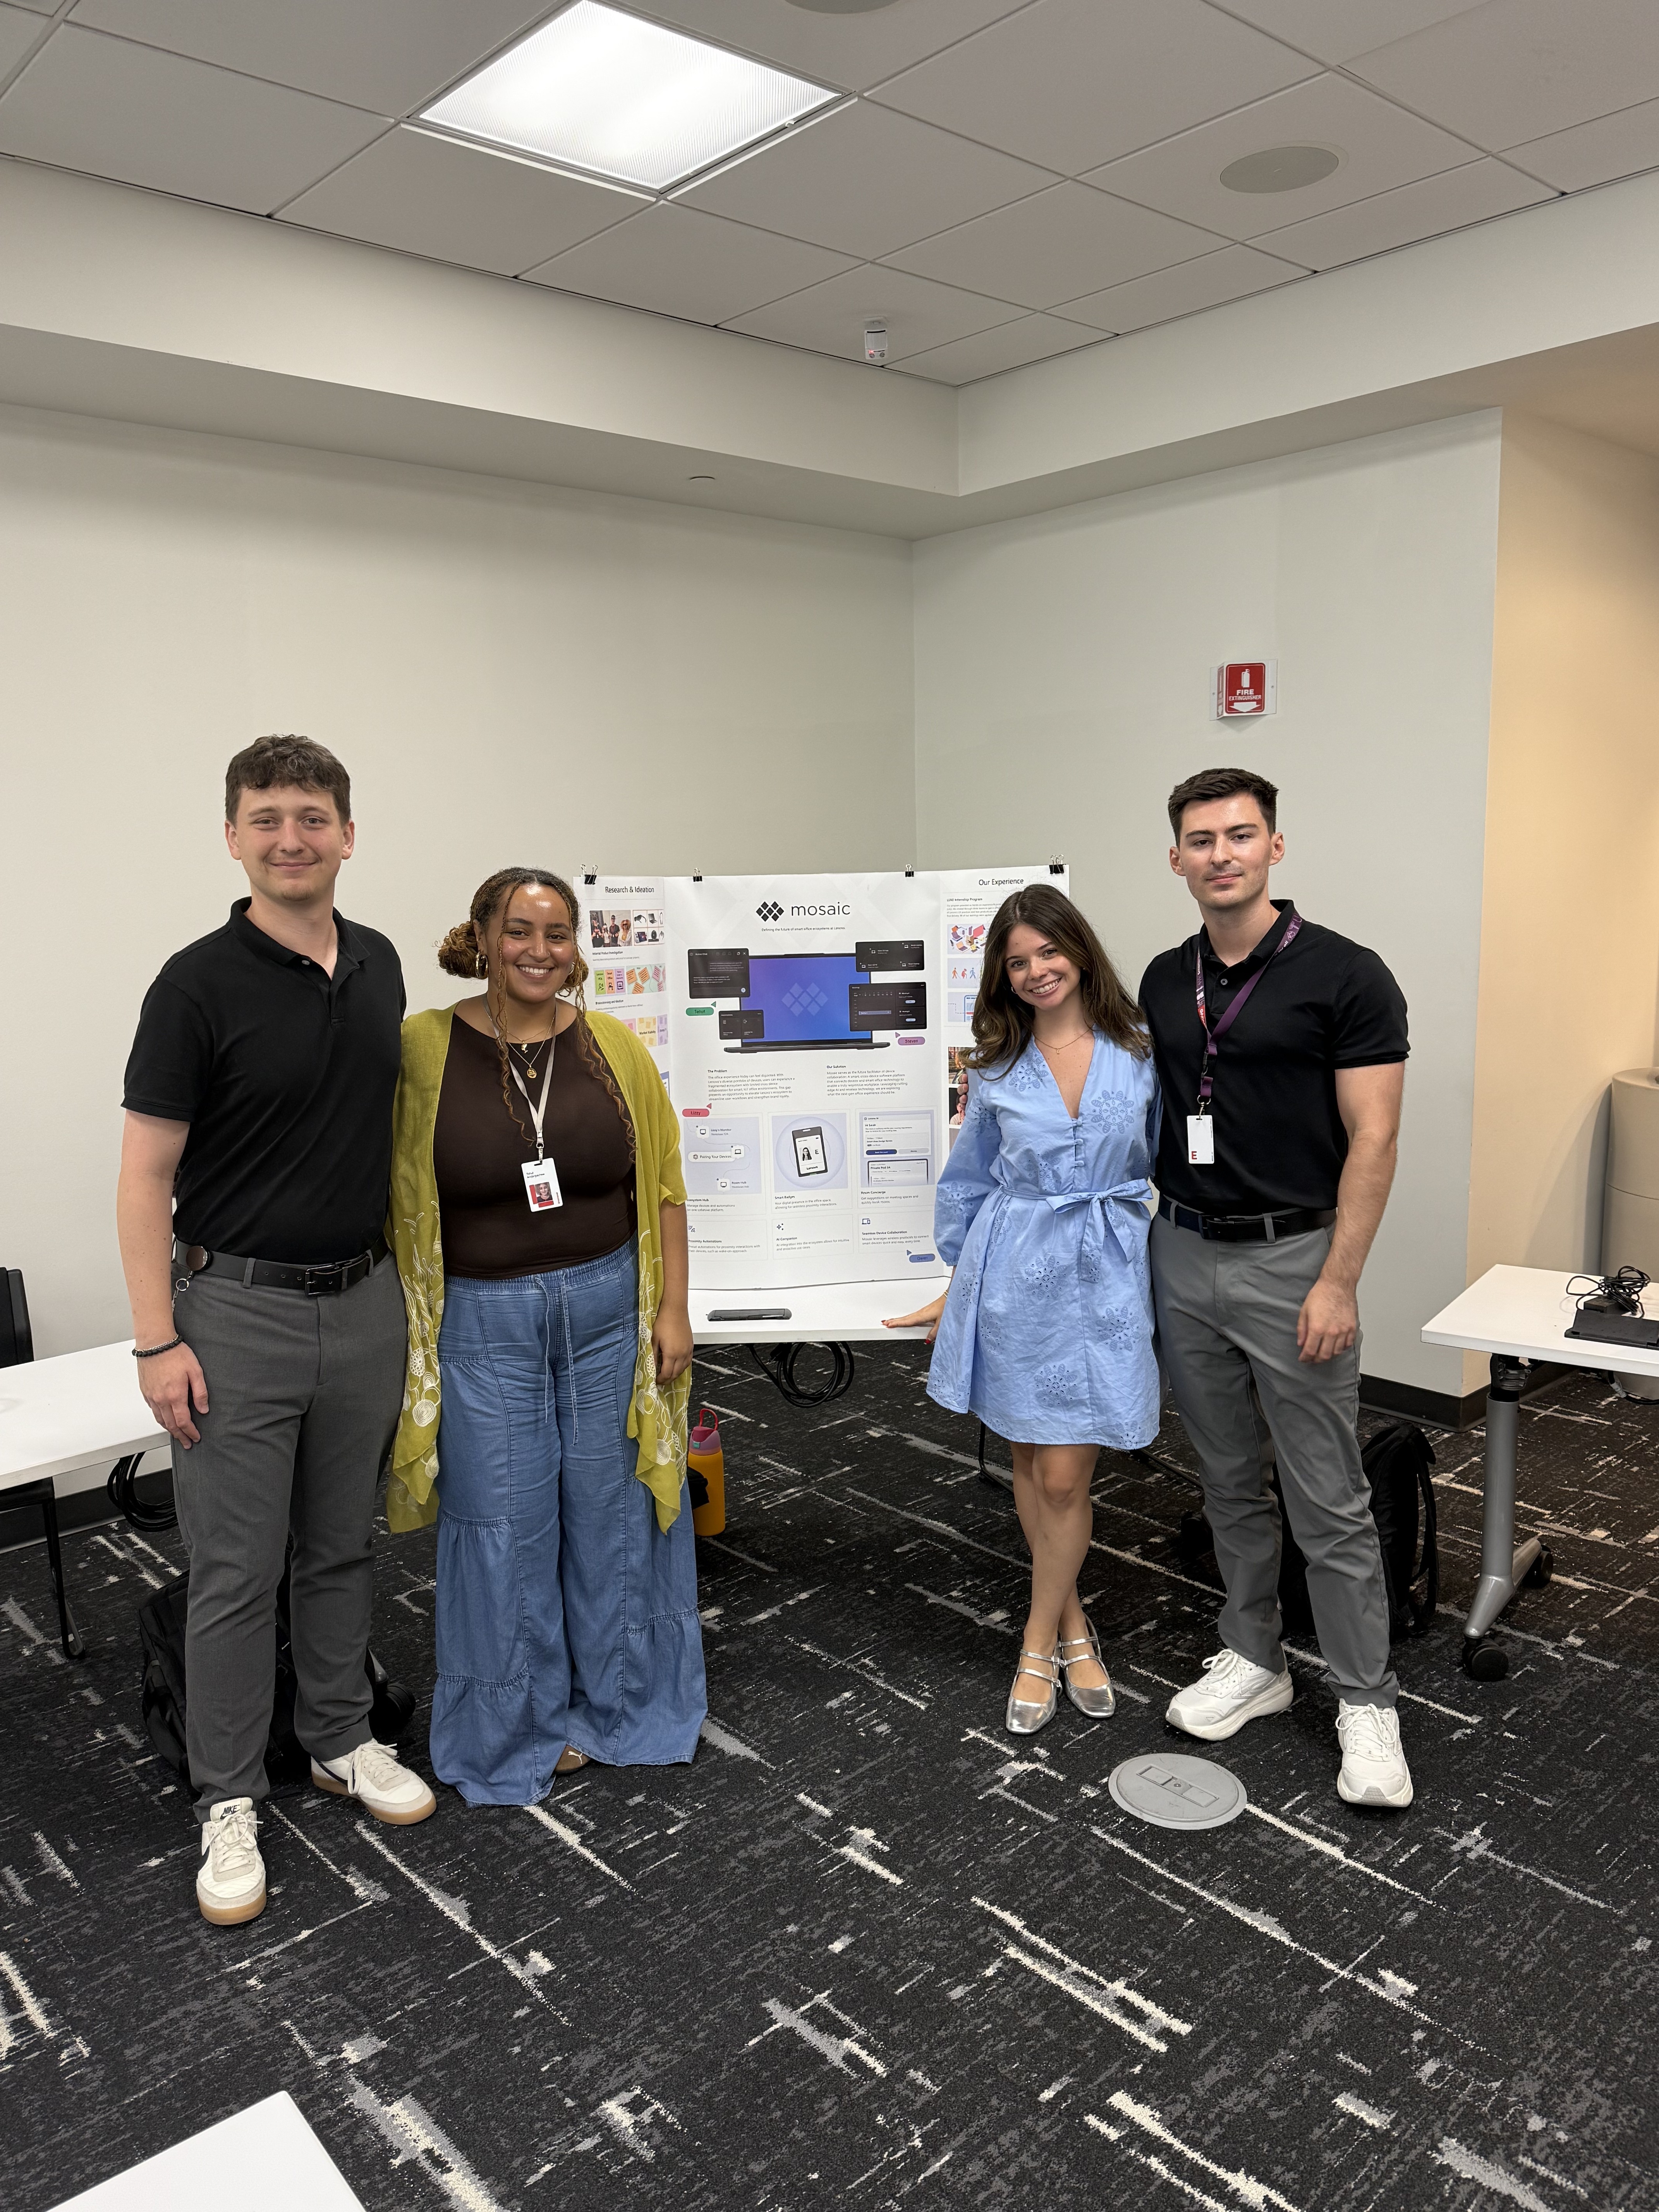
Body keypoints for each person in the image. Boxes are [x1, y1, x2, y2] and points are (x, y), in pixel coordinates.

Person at [118, 735, 434, 1932]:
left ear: (349, 834)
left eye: (312, 816)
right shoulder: (193, 984)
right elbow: (144, 1177)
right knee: (237, 1571)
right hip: (234, 1312)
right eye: (266, 818)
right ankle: (228, 1794)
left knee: (342, 1545)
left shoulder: (383, 967)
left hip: (362, 1304)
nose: (290, 837)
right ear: (234, 836)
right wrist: (159, 1342)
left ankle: (342, 1740)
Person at [385, 868, 704, 1805]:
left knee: (614, 1513)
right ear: (481, 935)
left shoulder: (612, 1046)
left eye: (557, 932)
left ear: (577, 947)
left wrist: (673, 1308)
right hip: (485, 1326)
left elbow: (667, 1183)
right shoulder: (421, 1050)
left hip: (611, 1313)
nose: (538, 949)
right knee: (504, 1522)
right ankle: (514, 1727)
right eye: (518, 929)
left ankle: (625, 1707)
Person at [1139, 767, 1412, 1809]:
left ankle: (1366, 1701)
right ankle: (1253, 1658)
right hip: (1183, 1249)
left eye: (1239, 836)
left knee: (1326, 1497)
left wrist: (1339, 1280)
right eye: (1200, 840)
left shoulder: (1346, 976)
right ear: (1176, 859)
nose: (1220, 855)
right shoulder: (1167, 979)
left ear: (1274, 848)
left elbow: (1375, 1139)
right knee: (1222, 1479)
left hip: (1297, 1260)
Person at [887, 886, 1160, 1735]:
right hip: (1014, 1278)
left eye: (1049, 952)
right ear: (1002, 976)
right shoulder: (997, 1068)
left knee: (1064, 1473)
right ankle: (1074, 1623)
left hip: (1108, 1278)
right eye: (1018, 961)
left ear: (1079, 951)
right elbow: (970, 1183)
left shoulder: (1142, 1051)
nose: (1037, 970)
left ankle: (1037, 1637)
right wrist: (957, 1283)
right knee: (1028, 1453)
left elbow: (1178, 1160)